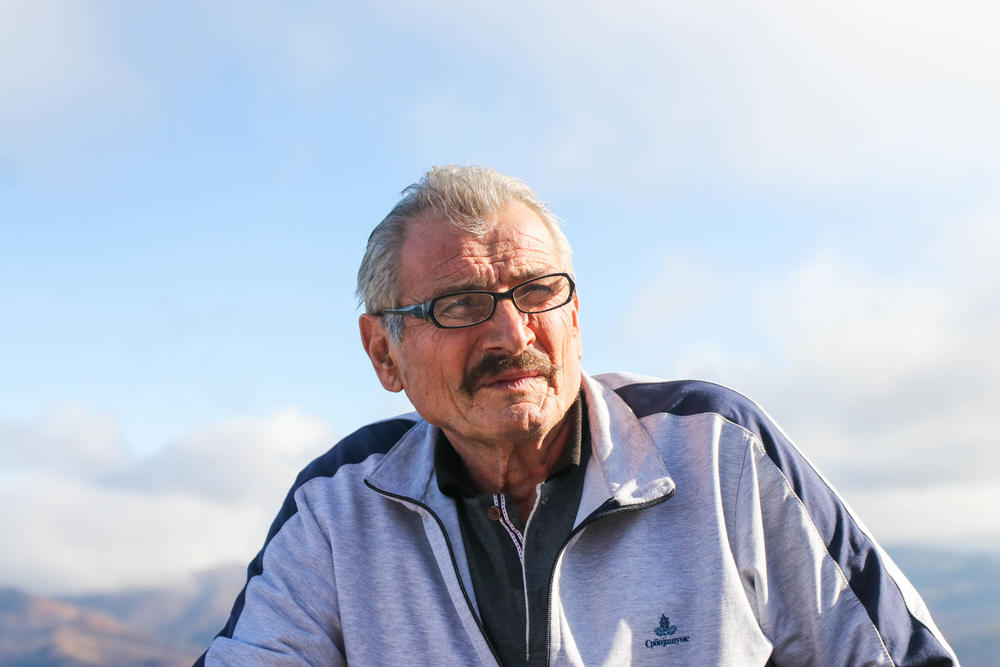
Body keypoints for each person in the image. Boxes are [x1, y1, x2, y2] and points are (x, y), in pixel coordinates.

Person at [198, 166, 957, 666]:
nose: (512, 334)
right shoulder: (340, 507)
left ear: (576, 316)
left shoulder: (715, 448)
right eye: (460, 304)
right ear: (383, 353)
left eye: (537, 293)